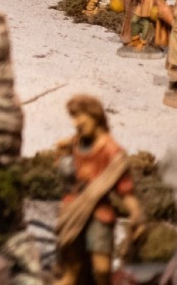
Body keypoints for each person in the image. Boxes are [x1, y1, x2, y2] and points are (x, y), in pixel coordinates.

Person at [53, 95, 143, 285]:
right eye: (74, 118)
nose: (76, 123)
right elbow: (66, 163)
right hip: (73, 211)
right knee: (72, 268)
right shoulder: (77, 142)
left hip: (99, 213)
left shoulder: (112, 151)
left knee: (102, 269)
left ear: (95, 116)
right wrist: (62, 153)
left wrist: (136, 213)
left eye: (80, 117)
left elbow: (124, 188)